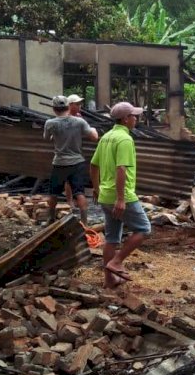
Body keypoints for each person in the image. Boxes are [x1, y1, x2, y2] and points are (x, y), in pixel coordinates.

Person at [89, 102, 151, 289]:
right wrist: (122, 199)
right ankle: (116, 262)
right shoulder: (124, 139)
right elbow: (121, 169)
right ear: (125, 119)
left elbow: (93, 165)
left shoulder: (106, 137)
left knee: (112, 238)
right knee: (144, 229)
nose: (136, 119)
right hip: (121, 195)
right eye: (134, 116)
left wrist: (96, 188)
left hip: (105, 195)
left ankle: (109, 280)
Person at [43, 95, 98, 226]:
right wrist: (93, 129)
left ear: (54, 109)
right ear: (68, 107)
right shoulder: (79, 122)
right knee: (79, 193)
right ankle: (84, 223)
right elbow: (94, 137)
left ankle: (50, 219)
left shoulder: (50, 123)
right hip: (77, 162)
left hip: (59, 163)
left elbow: (46, 138)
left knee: (53, 193)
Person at [64, 94, 85, 207]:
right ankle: (69, 201)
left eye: (79, 104)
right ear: (70, 105)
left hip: (77, 152)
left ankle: (76, 201)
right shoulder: (64, 118)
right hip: (66, 153)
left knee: (77, 179)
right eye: (77, 104)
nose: (79, 106)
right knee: (68, 179)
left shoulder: (79, 117)